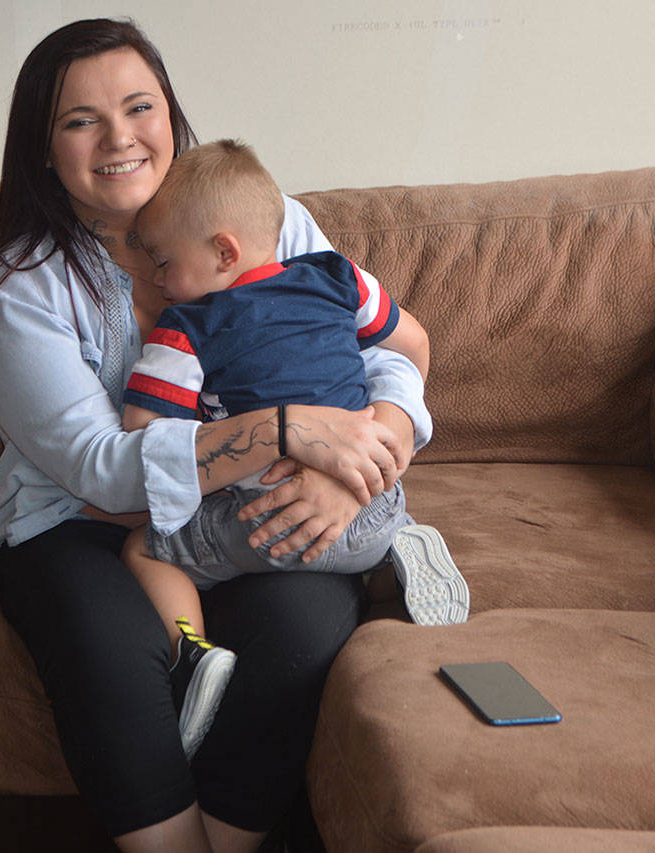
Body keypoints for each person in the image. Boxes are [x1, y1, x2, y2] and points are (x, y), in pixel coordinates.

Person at [0, 18, 436, 852]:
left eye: (138, 107)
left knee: (304, 630)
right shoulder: (20, 291)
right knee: (114, 655)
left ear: (170, 116)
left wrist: (360, 453)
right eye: (80, 120)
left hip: (257, 500)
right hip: (77, 523)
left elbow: (385, 354)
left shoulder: (266, 221)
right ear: (43, 148)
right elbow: (106, 473)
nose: (118, 138)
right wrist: (284, 430)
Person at [118, 139, 469, 759]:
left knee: (144, 547)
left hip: (278, 526)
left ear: (224, 251)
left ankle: (191, 655)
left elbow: (144, 439)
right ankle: (400, 549)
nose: (156, 279)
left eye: (164, 262)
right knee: (368, 532)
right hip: (374, 502)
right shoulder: (337, 276)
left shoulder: (186, 328)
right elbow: (413, 343)